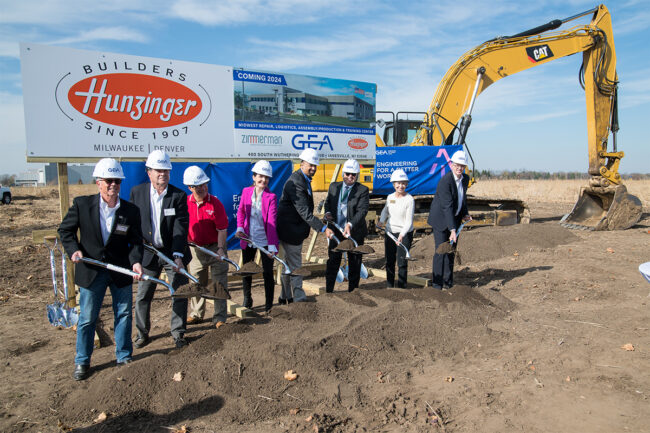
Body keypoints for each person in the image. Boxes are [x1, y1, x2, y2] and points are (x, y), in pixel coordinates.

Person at [58, 158, 143, 381]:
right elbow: (65, 231)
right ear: (98, 182)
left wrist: (135, 261)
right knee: (87, 318)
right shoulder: (82, 205)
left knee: (123, 314)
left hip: (119, 270)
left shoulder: (130, 211)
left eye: (117, 181)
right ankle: (82, 361)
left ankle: (124, 356)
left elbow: (135, 242)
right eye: (108, 181)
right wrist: (74, 250)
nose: (113, 185)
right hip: (92, 270)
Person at [129, 150, 190, 349]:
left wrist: (179, 255)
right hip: (148, 253)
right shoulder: (137, 193)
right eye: (158, 170)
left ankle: (178, 332)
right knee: (143, 295)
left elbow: (181, 227)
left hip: (173, 252)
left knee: (180, 292)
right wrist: (135, 259)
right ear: (149, 172)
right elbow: (133, 229)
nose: (162, 173)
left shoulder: (178, 195)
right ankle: (142, 333)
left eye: (165, 170)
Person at [182, 165, 230, 328]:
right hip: (195, 250)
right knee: (196, 282)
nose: (202, 188)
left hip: (216, 247)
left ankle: (220, 317)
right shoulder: (184, 204)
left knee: (219, 283)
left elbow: (222, 229)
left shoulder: (215, 203)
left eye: (204, 184)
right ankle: (196, 313)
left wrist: (221, 249)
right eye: (198, 186)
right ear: (190, 187)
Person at [276, 148, 325, 303]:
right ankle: (298, 297)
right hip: (290, 230)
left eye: (315, 166)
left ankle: (285, 296)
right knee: (295, 264)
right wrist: (322, 228)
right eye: (310, 165)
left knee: (288, 264)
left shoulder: (302, 179)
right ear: (302, 163)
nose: (313, 168)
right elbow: (304, 211)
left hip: (292, 229)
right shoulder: (296, 182)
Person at [235, 160, 279, 313]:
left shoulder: (271, 197)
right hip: (248, 238)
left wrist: (272, 245)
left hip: (265, 239)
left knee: (267, 272)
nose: (263, 180)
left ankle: (269, 305)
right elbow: (241, 211)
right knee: (247, 269)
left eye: (267, 177)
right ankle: (247, 299)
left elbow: (272, 222)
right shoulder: (246, 191)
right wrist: (240, 227)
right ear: (254, 177)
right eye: (260, 176)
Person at [427, 150, 472, 289]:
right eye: (457, 165)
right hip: (441, 220)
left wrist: (465, 213)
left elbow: (462, 198)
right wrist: (452, 230)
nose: (460, 168)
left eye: (462, 166)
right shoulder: (445, 181)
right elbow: (447, 206)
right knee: (441, 251)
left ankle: (448, 283)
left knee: (450, 252)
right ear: (452, 165)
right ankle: (437, 284)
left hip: (455, 219)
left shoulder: (465, 179)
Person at [323, 159, 370, 293]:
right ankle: (329, 292)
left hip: (354, 232)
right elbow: (328, 203)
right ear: (343, 173)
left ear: (357, 175)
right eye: (348, 174)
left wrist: (350, 224)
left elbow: (362, 211)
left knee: (354, 263)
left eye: (353, 174)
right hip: (336, 231)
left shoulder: (362, 190)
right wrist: (327, 213)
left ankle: (353, 293)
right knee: (333, 262)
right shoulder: (334, 187)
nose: (350, 177)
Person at [377, 169, 415, 288]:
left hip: (404, 234)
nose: (401, 186)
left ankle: (402, 287)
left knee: (402, 261)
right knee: (390, 260)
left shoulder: (409, 199)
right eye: (398, 183)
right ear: (393, 184)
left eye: (403, 183)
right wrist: (381, 221)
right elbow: (385, 211)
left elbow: (409, 221)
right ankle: (390, 286)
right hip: (390, 233)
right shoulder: (390, 197)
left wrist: (402, 235)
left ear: (406, 184)